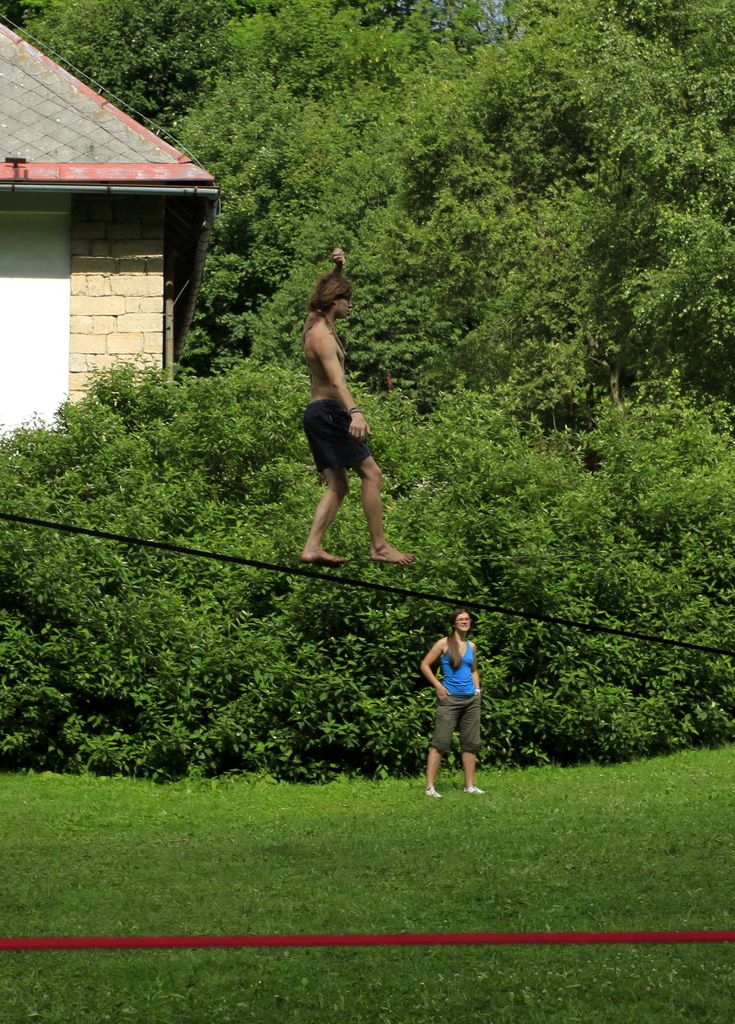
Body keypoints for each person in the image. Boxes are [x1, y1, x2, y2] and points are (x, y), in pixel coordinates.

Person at [300, 247, 414, 567]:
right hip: (329, 412)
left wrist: (337, 271)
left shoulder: (313, 323)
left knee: (338, 483)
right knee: (372, 473)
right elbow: (337, 381)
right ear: (336, 302)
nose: (351, 306)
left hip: (315, 414)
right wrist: (356, 412)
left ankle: (312, 546)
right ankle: (378, 545)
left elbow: (322, 297)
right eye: (347, 300)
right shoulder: (322, 335)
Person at [421, 608, 484, 797]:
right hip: (450, 700)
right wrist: (438, 686)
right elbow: (424, 665)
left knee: (470, 743)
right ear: (454, 623)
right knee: (440, 742)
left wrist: (477, 689)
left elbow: (473, 669)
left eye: (467, 619)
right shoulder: (444, 643)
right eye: (461, 619)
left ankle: (469, 786)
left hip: (471, 700)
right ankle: (430, 787)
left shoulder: (471, 646)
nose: (465, 621)